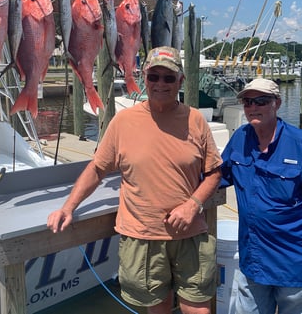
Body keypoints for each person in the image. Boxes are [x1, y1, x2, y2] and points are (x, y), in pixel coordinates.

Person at [47, 46, 222, 314]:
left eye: (168, 78)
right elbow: (97, 169)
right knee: (157, 308)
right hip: (142, 235)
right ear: (143, 77)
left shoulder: (196, 120)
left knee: (198, 310)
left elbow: (214, 172)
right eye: (154, 76)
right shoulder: (122, 121)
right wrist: (68, 207)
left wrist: (192, 205)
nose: (160, 84)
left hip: (190, 233)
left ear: (181, 81)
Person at [221, 78, 302, 314]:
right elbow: (218, 176)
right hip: (253, 260)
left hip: (293, 264)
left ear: (277, 103)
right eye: (248, 102)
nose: (253, 107)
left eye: (261, 101)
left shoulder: (298, 143)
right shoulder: (240, 137)